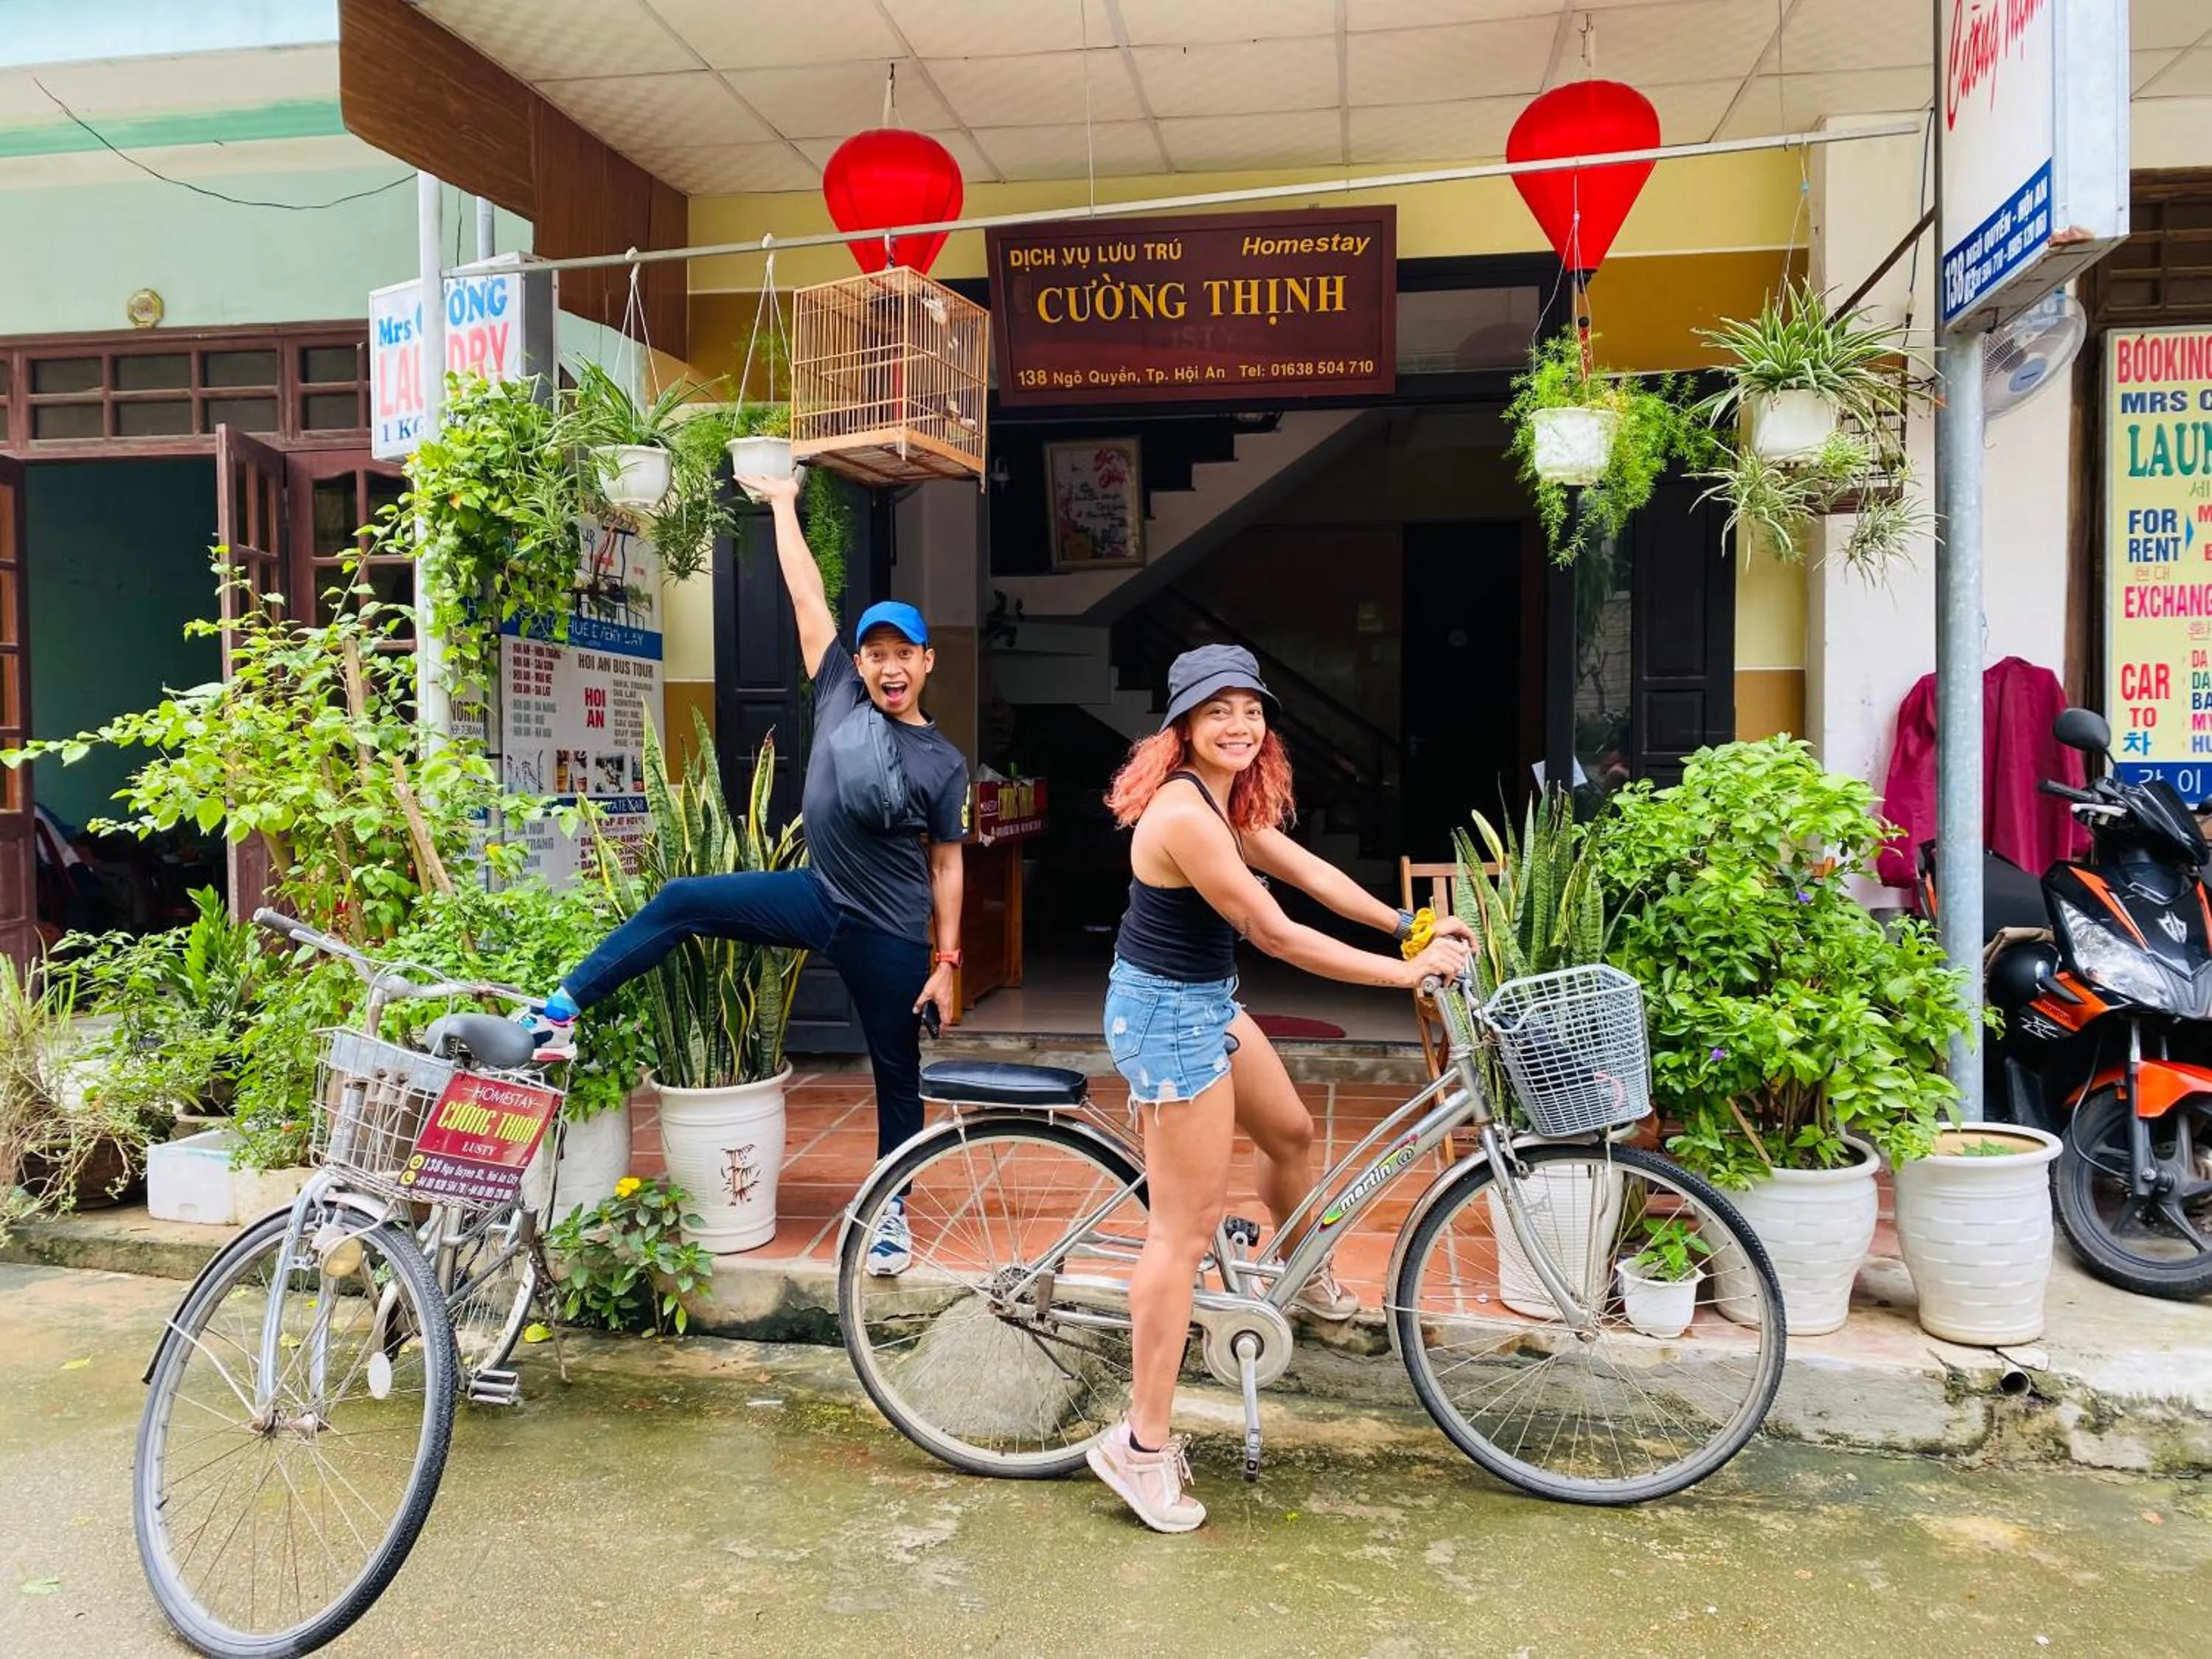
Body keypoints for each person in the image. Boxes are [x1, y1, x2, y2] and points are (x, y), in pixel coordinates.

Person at [525, 471, 970, 1276]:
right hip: (818, 896)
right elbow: (807, 596)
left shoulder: (943, 762)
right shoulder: (838, 691)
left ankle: (892, 1216)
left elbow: (946, 861)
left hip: (890, 932)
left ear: (927, 661)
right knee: (682, 899)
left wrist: (946, 962)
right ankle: (560, 1010)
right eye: (877, 654)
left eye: (904, 654)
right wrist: (782, 506)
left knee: (897, 1075)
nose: (889, 667)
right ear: (860, 662)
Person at [1084, 643, 1472, 1534]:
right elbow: (1276, 932)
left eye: (1251, 710)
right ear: (1183, 725)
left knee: (1291, 1133)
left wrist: (1409, 927)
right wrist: (1403, 975)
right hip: (1167, 1022)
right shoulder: (1184, 813)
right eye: (1217, 711)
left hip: (1202, 1004)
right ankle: (1140, 1447)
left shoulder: (1226, 802)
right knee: (1182, 1233)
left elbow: (1310, 874)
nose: (1239, 725)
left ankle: (1300, 1278)